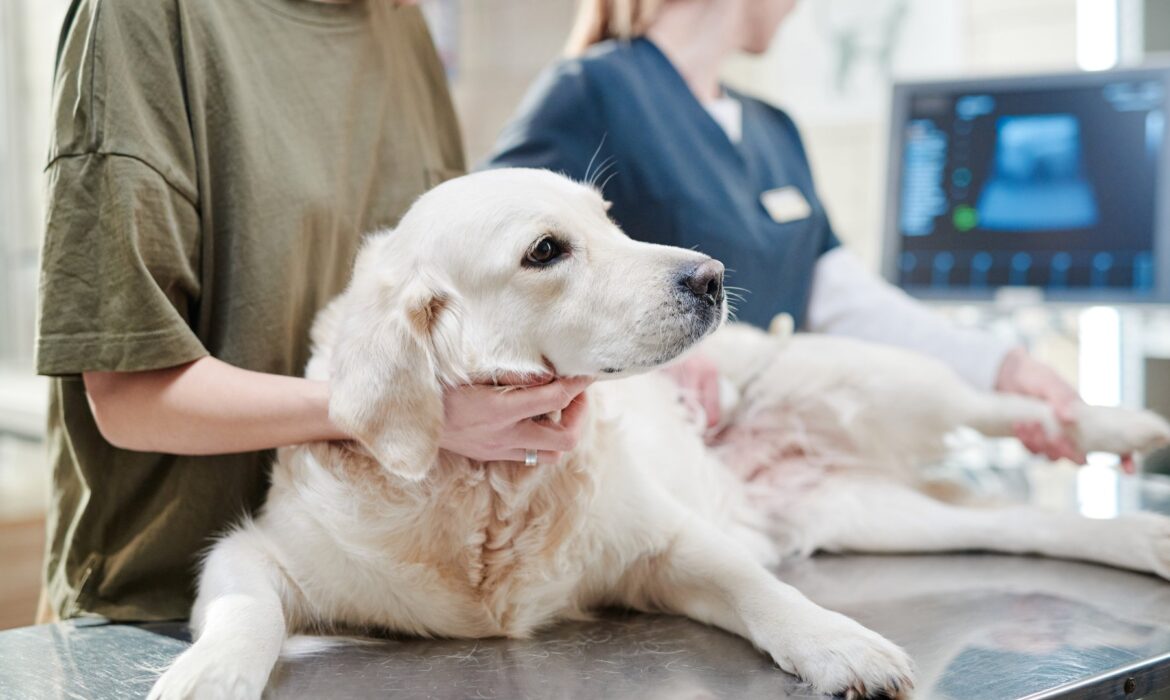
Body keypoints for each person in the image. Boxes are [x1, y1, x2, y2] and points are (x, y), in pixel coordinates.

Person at [35, 0, 588, 623]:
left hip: (385, 604)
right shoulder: (145, 19)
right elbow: (130, 398)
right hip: (159, 613)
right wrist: (387, 409)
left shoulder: (400, 27)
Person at [486, 0, 1086, 462]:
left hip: (775, 459)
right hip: (655, 468)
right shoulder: (590, 91)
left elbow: (847, 301)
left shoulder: (775, 128)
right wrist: (657, 363)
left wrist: (1003, 367)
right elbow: (488, 271)